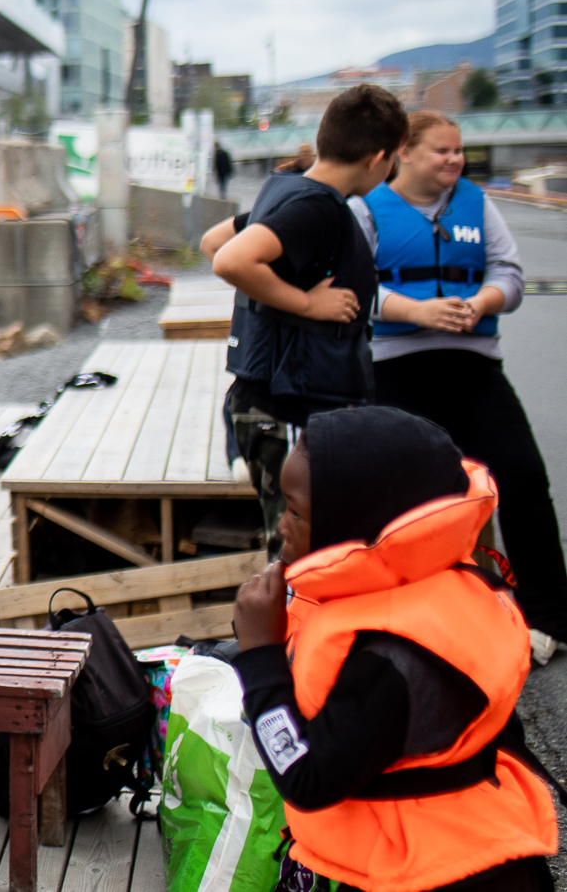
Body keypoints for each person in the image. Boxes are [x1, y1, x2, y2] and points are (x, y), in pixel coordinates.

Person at [232, 407, 557, 891]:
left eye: (295, 512)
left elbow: (308, 778)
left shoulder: (388, 660)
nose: (281, 526)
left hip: (441, 874)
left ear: (352, 526)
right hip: (484, 849)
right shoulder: (440, 589)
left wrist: (260, 656)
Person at [349, 110, 567, 664]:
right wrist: (418, 311)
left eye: (459, 150)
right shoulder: (366, 210)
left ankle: (548, 617)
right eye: (441, 151)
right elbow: (353, 289)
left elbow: (509, 276)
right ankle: (404, 621)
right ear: (404, 152)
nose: (455, 160)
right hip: (395, 370)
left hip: (473, 369)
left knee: (523, 477)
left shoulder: (476, 203)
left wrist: (481, 302)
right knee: (408, 497)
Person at [199, 84, 404, 553]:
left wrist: (276, 295)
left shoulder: (287, 189)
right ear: (377, 158)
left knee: (300, 548)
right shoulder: (318, 208)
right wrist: (307, 304)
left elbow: (213, 239)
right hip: (288, 408)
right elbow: (229, 259)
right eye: (394, 159)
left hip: (267, 400)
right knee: (301, 552)